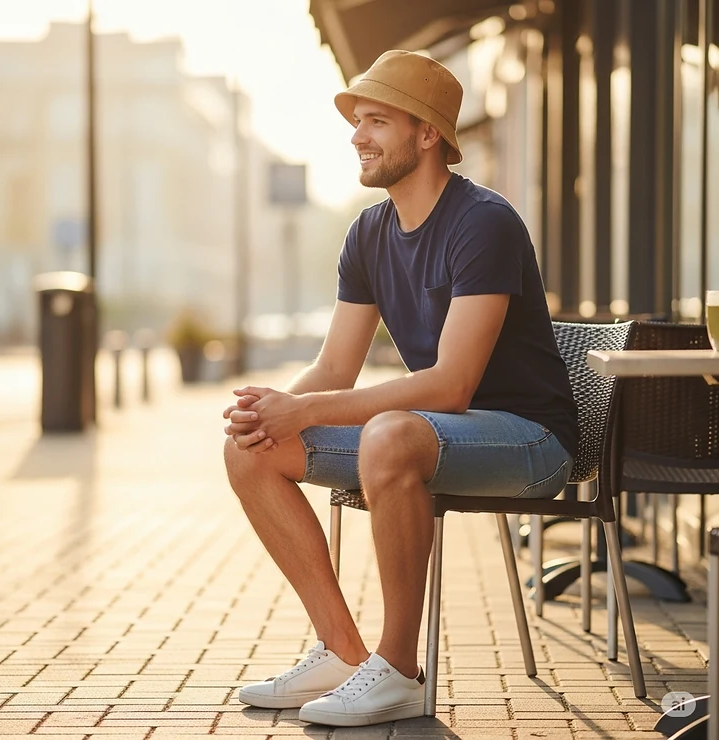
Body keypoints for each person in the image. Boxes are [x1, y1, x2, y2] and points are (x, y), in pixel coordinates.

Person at [222, 49, 578, 728]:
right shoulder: (368, 233)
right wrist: (275, 415)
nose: (358, 134)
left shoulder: (484, 223)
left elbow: (451, 383)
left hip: (531, 440)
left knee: (391, 433)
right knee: (250, 451)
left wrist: (308, 410)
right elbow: (332, 371)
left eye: (377, 120)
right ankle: (343, 652)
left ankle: (399, 669)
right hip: (434, 435)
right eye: (358, 120)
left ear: (428, 135)